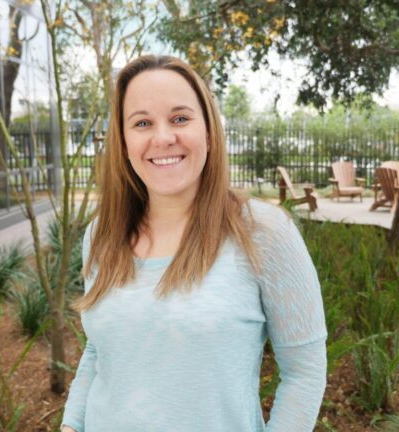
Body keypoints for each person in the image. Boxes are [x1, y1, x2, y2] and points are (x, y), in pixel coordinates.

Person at [60, 55, 327, 432]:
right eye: (142, 123)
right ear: (123, 141)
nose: (163, 137)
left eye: (180, 118)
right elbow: (100, 351)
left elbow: (304, 373)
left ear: (209, 132)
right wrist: (70, 426)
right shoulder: (102, 234)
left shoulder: (263, 232)